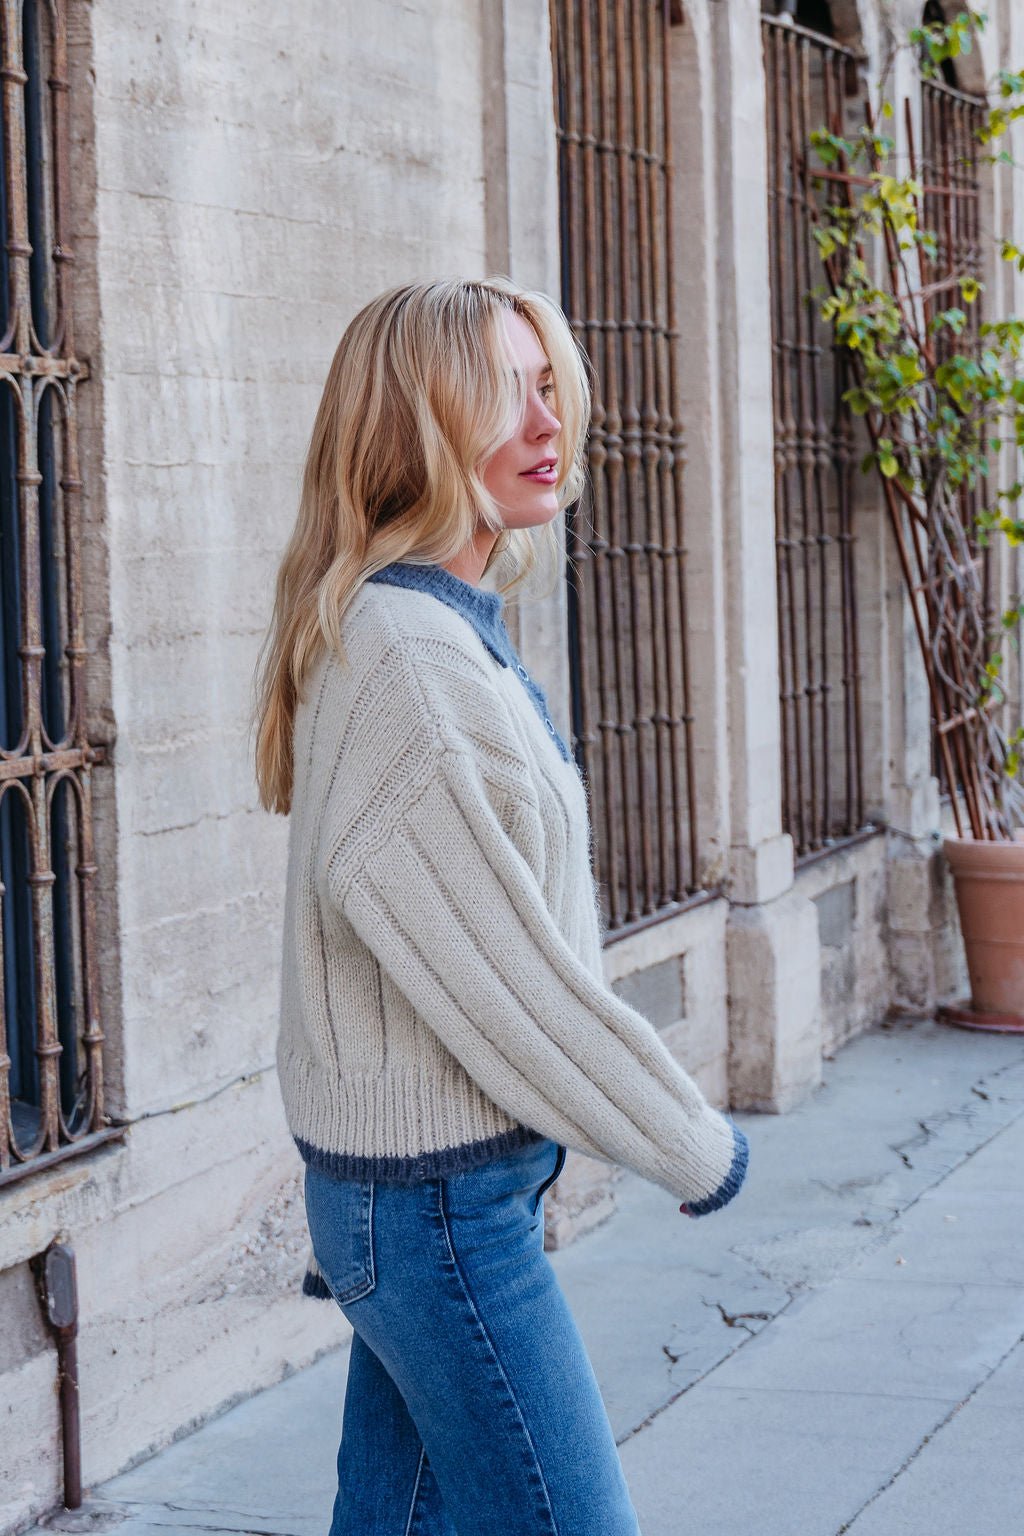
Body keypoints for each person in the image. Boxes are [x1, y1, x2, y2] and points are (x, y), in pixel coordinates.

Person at [253, 276, 749, 1536]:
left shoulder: (431, 629)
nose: (545, 424)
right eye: (497, 394)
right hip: (437, 1213)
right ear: (410, 428)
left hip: (428, 1199)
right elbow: (512, 984)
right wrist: (690, 1141)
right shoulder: (411, 667)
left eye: (547, 386)